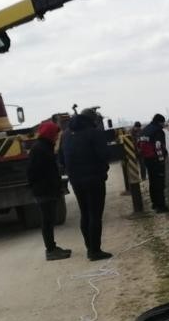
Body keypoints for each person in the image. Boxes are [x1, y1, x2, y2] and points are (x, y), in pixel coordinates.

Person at [62, 109, 112, 261]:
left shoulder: (66, 134)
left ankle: (89, 248)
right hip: (94, 178)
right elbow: (104, 155)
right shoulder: (94, 133)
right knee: (95, 215)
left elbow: (61, 158)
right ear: (93, 119)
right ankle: (95, 251)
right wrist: (104, 169)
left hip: (76, 180)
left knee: (85, 213)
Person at [27, 121, 71, 261]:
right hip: (44, 191)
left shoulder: (43, 147)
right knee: (47, 221)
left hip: (46, 190)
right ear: (49, 134)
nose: (57, 137)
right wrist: (47, 186)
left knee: (49, 220)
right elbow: (33, 172)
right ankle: (50, 250)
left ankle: (52, 247)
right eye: (55, 134)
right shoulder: (40, 149)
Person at [139, 114, 169, 212]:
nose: (164, 125)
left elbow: (138, 145)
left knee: (152, 181)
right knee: (159, 183)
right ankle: (161, 207)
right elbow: (158, 146)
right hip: (156, 160)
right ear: (160, 122)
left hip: (147, 160)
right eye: (163, 122)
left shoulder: (144, 130)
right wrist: (161, 160)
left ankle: (154, 204)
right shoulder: (158, 131)